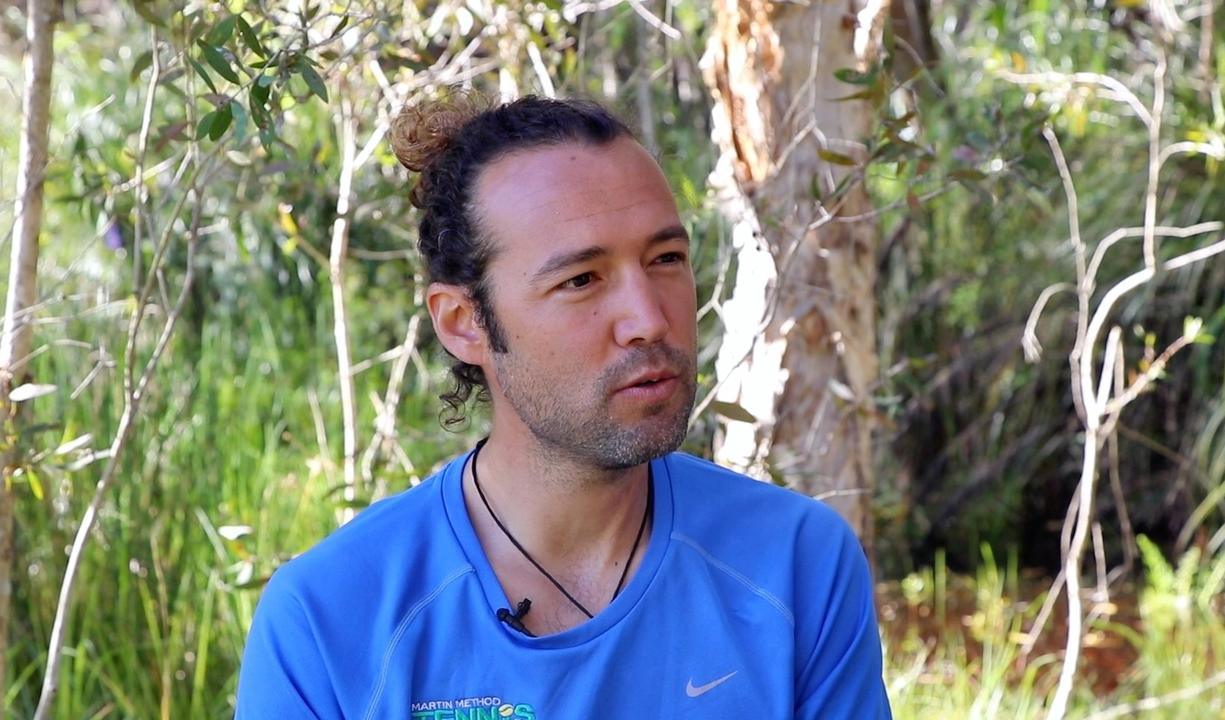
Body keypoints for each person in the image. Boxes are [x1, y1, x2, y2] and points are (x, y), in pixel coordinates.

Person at [235, 93, 892, 719]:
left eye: (666, 258)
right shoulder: (328, 619)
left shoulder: (794, 565)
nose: (648, 319)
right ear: (464, 322)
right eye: (581, 280)